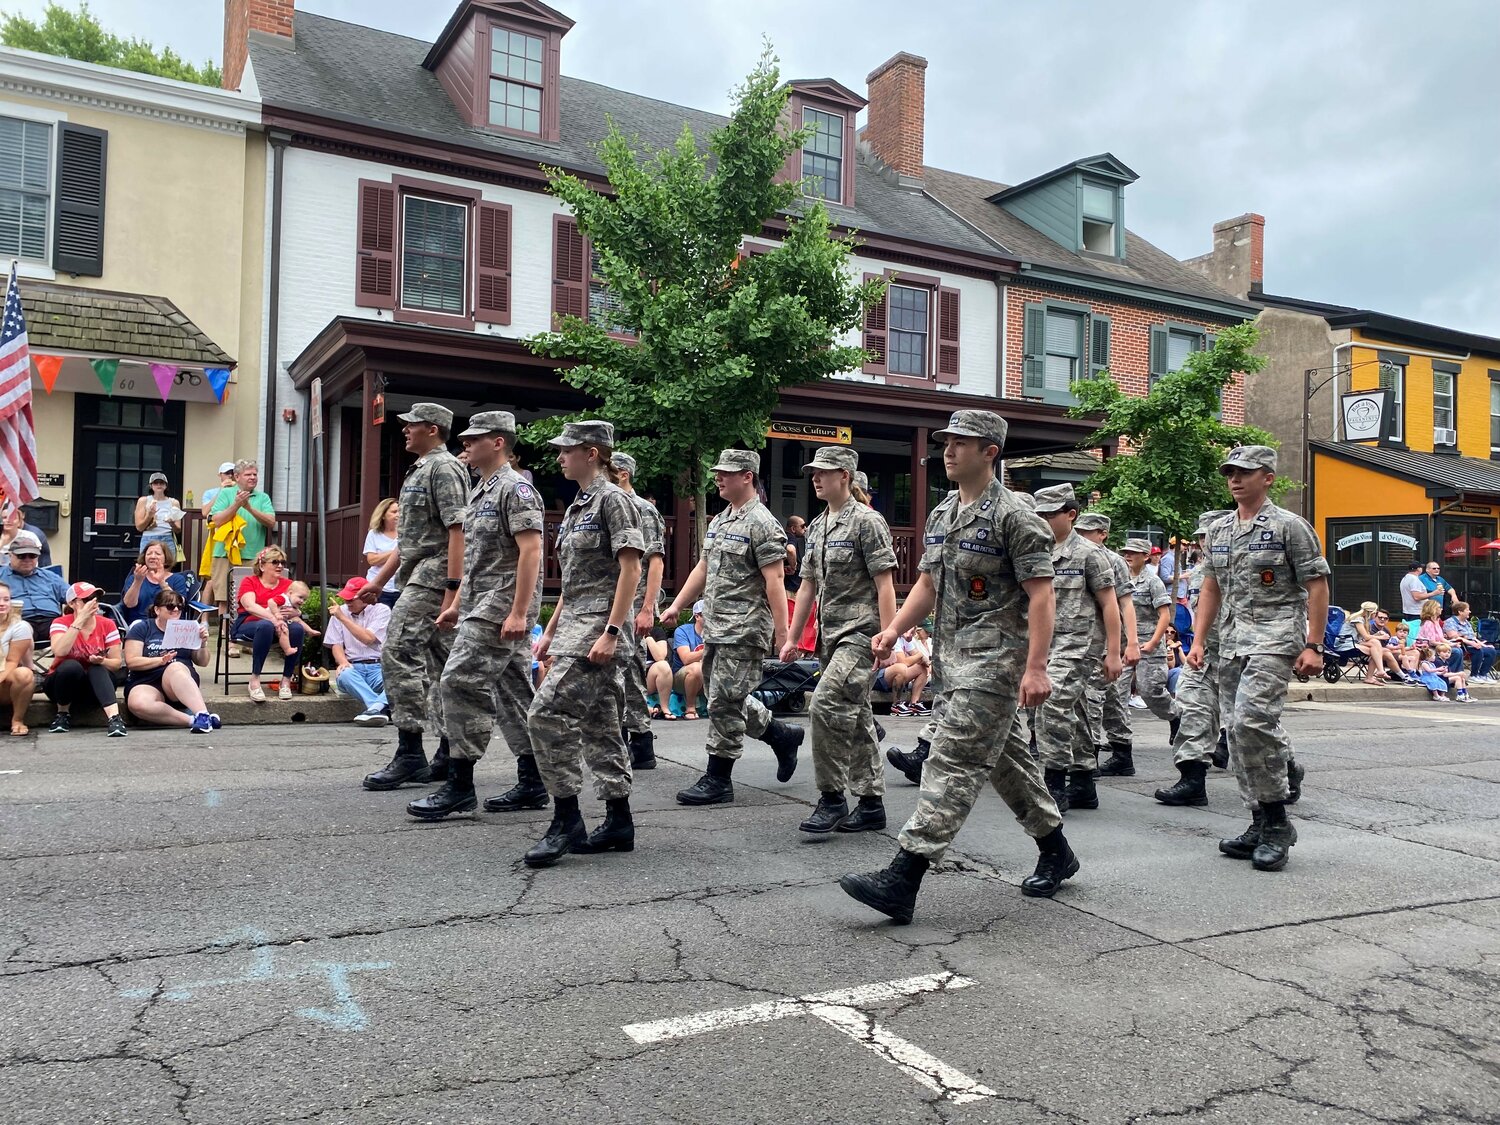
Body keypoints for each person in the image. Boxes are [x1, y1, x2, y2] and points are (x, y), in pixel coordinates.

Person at [841, 411, 1074, 925]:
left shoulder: (1018, 518)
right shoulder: (945, 512)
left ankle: (904, 875)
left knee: (949, 760)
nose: (948, 450)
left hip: (996, 662)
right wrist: (893, 629)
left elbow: (1042, 596)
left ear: (990, 451)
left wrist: (1036, 668)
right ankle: (1056, 849)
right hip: (953, 660)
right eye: (946, 442)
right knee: (1009, 765)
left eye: (961, 443)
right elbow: (926, 584)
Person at [1188, 445, 1329, 872]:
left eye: (1245, 472)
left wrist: (1314, 644)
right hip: (1230, 639)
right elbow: (1211, 588)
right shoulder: (1219, 531)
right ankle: (1258, 820)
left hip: (1275, 635)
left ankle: (1277, 823)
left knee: (1251, 720)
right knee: (1236, 731)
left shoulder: (1290, 527)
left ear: (1267, 477)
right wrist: (1197, 641)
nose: (1235, 479)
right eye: (1230, 472)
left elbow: (1317, 584)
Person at [407, 412, 546, 821]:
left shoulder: (516, 489)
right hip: (480, 601)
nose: (465, 443)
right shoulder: (480, 490)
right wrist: (455, 602)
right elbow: (475, 557)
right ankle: (534, 780)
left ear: (499, 442)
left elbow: (531, 551)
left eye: (475, 438)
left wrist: (520, 611)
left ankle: (459, 783)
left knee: (457, 682)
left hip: (501, 606)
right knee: (514, 692)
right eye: (465, 438)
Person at [523, 420, 643, 866]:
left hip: (599, 630)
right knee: (600, 724)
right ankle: (618, 820)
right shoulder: (578, 506)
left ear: (591, 453)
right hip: (575, 625)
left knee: (546, 714)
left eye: (566, 450)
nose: (559, 457)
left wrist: (612, 632)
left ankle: (566, 818)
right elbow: (574, 583)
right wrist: (551, 629)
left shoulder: (614, 500)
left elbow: (631, 571)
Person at [659, 449, 803, 806]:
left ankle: (719, 778)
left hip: (746, 627)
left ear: (747, 476)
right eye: (717, 472)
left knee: (725, 700)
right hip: (718, 626)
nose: (718, 478)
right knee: (726, 695)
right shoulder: (721, 520)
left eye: (726, 473)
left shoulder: (763, 523)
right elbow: (703, 569)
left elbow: (774, 581)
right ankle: (780, 734)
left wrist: (783, 635)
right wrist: (677, 605)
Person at [780, 446, 897, 835]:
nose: (815, 478)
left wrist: (888, 634)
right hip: (830, 636)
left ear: (845, 475)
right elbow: (809, 585)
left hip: (861, 634)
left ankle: (831, 798)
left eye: (823, 472)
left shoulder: (867, 522)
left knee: (826, 704)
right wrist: (793, 637)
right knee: (858, 714)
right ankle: (870, 803)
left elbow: (885, 584)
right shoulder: (817, 526)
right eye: (813, 472)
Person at [358, 404, 469, 791]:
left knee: (398, 651)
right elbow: (408, 541)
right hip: (417, 573)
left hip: (435, 574)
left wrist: (453, 588)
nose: (404, 430)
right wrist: (379, 582)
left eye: (412, 426)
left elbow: (458, 530)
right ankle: (448, 750)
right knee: (442, 666)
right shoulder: (420, 468)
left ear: (434, 429)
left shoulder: (444, 468)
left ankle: (410, 753)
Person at [1030, 484, 1122, 815]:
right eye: (1038, 514)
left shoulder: (1089, 554)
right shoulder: (1036, 551)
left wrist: (1114, 652)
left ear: (1070, 515)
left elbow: (1111, 604)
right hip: (1048, 643)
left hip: (1080, 642)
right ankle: (1083, 778)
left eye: (1050, 515)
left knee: (1051, 701)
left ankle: (1054, 781)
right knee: (1078, 708)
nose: (1043, 520)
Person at [1156, 510, 1230, 807]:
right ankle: (1192, 781)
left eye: (1208, 535)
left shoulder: (1242, 566)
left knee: (1251, 725)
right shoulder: (1199, 572)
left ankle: (1287, 769)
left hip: (1239, 655)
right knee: (1190, 708)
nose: (1203, 541)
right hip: (1205, 654)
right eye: (1200, 536)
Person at [1104, 538, 1179, 776]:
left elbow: (1164, 615)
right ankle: (1121, 744)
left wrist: (1155, 641)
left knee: (1151, 691)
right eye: (1126, 552)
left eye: (1134, 553)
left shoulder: (1153, 581)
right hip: (1125, 645)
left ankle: (1176, 716)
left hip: (1149, 643)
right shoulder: (1121, 577)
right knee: (1116, 692)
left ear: (1146, 556)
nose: (1128, 556)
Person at [611, 452, 666, 771]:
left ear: (622, 474)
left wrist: (648, 608)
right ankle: (621, 737)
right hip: (611, 603)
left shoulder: (643, 510)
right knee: (616, 674)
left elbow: (655, 560)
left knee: (629, 671)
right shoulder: (606, 505)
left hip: (634, 605)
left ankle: (641, 742)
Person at [1075, 513, 1141, 774]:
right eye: (1078, 531)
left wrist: (1132, 643)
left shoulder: (1114, 561)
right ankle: (1122, 750)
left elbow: (1126, 603)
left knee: (1093, 697)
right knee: (1111, 697)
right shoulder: (1075, 555)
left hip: (1106, 640)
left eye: (1087, 532)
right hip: (1086, 638)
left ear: (1102, 534)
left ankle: (1089, 758)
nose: (1081, 535)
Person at [123, 589, 217, 732]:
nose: (175, 610)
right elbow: (132, 662)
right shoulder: (143, 628)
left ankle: (202, 714)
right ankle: (193, 720)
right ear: (157, 609)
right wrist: (160, 661)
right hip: (147, 679)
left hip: (178, 680)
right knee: (138, 703)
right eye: (170, 606)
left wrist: (203, 644)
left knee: (175, 667)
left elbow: (202, 662)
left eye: (179, 607)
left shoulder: (189, 627)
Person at [45, 582, 126, 736]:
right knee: (71, 666)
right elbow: (60, 651)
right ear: (72, 603)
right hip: (61, 685)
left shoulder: (108, 624)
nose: (93, 602)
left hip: (94, 686)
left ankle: (115, 718)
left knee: (96, 668)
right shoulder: (60, 622)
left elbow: (116, 663)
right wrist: (79, 621)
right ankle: (62, 713)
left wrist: (101, 661)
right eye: (87, 599)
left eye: (95, 597)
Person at [231, 547, 303, 703]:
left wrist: (296, 613)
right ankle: (255, 680)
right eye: (275, 562)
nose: (280, 566)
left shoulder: (289, 584)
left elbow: (298, 607)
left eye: (282, 562)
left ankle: (286, 680)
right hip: (250, 624)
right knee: (265, 626)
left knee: (297, 628)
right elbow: (250, 606)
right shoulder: (249, 581)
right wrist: (274, 618)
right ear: (262, 566)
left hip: (282, 627)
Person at [207, 460, 276, 620]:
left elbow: (271, 522)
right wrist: (237, 504)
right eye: (248, 474)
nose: (253, 477)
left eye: (255, 474)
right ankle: (226, 639)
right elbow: (216, 520)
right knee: (224, 599)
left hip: (252, 555)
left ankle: (242, 636)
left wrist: (249, 508)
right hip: (225, 553)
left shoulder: (263, 497)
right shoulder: (226, 494)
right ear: (237, 477)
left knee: (249, 598)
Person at [324, 576, 392, 725]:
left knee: (398, 680)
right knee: (344, 675)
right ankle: (377, 707)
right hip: (353, 666)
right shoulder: (340, 611)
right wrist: (342, 662)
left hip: (378, 666)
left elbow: (368, 639)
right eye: (345, 599)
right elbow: (336, 644)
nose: (347, 603)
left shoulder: (381, 610)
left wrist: (343, 619)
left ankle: (374, 709)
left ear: (365, 597)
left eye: (351, 599)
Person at [2, 532, 69, 641]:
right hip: (18, 623)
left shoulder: (50, 577)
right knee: (21, 630)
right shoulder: (1, 576)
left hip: (52, 623)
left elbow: (73, 597)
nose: (27, 559)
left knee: (76, 628)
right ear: (10, 555)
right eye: (22, 556)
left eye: (32, 556)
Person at [120, 542, 192, 625]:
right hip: (140, 624)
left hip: (169, 623)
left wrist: (161, 582)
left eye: (157, 554)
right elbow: (129, 604)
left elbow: (179, 604)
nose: (153, 557)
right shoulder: (135, 578)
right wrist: (138, 581)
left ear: (166, 558)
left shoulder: (178, 579)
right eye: (149, 554)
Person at [0, 581, 36, 734]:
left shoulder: (20, 627)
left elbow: (11, 662)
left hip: (3, 681)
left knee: (24, 675)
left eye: (6, 599)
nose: (2, 604)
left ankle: (17, 720)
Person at [134, 472, 184, 558]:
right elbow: (139, 527)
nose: (159, 485)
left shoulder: (174, 502)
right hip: (148, 537)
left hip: (167, 537)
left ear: (166, 485)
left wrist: (171, 523)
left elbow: (178, 529)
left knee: (166, 567)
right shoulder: (144, 501)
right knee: (148, 567)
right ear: (151, 485)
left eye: (161, 483)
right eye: (155, 483)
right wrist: (149, 515)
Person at [1443, 602, 1496, 682]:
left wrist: (1483, 645)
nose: (1470, 611)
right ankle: (1473, 675)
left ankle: (1483, 674)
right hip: (1460, 645)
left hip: (1471, 643)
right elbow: (1454, 636)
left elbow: (1473, 637)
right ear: (1460, 612)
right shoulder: (1450, 622)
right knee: (1478, 650)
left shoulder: (1466, 622)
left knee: (1491, 651)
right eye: (1467, 610)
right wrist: (1471, 642)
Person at [362, 499, 401, 608]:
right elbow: (372, 560)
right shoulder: (374, 534)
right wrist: (396, 552)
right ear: (383, 515)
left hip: (401, 587)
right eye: (394, 512)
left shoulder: (406, 533)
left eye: (400, 511)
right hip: (379, 587)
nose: (398, 515)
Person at [671, 603, 706, 718]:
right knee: (696, 668)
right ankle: (690, 708)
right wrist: (709, 649)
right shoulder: (683, 631)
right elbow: (686, 659)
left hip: (710, 678)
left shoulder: (719, 632)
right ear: (697, 616)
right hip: (682, 679)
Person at [1, 502, 52, 568]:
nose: (8, 520)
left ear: (19, 520)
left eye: (12, 517)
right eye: (4, 518)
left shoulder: (31, 536)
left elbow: (33, 565)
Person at [642, 627, 675, 720]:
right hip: (628, 676)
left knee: (663, 665)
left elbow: (660, 656)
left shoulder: (656, 632)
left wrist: (647, 637)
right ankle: (647, 709)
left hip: (647, 678)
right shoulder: (623, 630)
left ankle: (665, 708)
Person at [1399, 561, 1438, 626]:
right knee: (1417, 632)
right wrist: (1434, 593)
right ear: (1418, 569)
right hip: (1416, 612)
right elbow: (1417, 597)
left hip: (1408, 611)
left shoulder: (1405, 578)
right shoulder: (1414, 580)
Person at [784, 514, 806, 596]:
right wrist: (793, 567)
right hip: (790, 586)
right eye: (802, 527)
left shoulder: (781, 537)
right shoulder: (790, 538)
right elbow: (790, 549)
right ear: (793, 529)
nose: (805, 529)